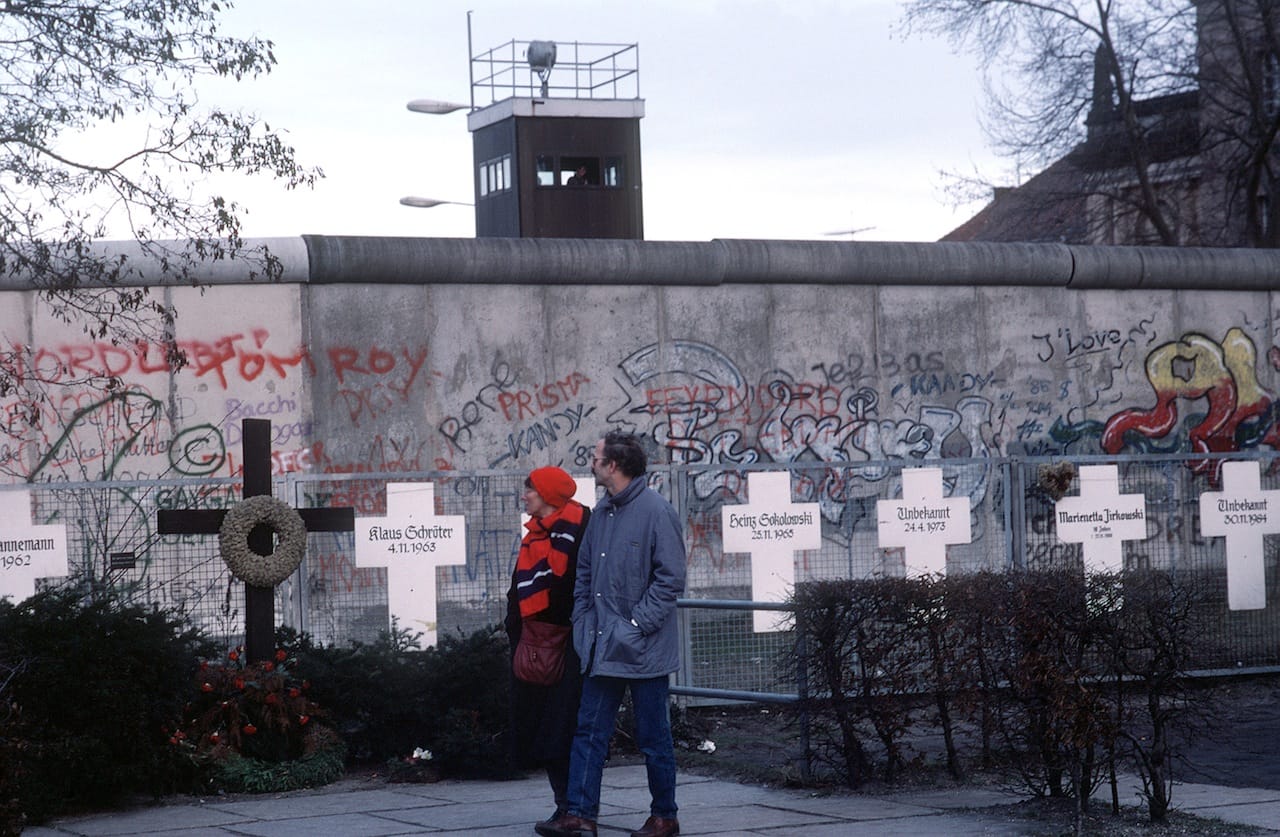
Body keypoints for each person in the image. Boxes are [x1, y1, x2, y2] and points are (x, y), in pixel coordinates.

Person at [536, 432, 687, 837]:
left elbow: (670, 580)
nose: (590, 461)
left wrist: (634, 626)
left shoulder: (657, 511)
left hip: (644, 650)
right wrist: (584, 622)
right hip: (602, 647)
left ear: (613, 465)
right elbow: (584, 575)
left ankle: (664, 817)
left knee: (654, 738)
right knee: (589, 733)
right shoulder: (601, 513)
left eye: (595, 455)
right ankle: (580, 815)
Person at [505, 466, 591, 831]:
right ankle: (565, 806)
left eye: (530, 491)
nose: (524, 496)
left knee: (562, 727)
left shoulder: (579, 528)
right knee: (542, 727)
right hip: (535, 648)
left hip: (569, 647)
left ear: (548, 495)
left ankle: (575, 809)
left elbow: (573, 588)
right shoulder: (534, 535)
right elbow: (521, 590)